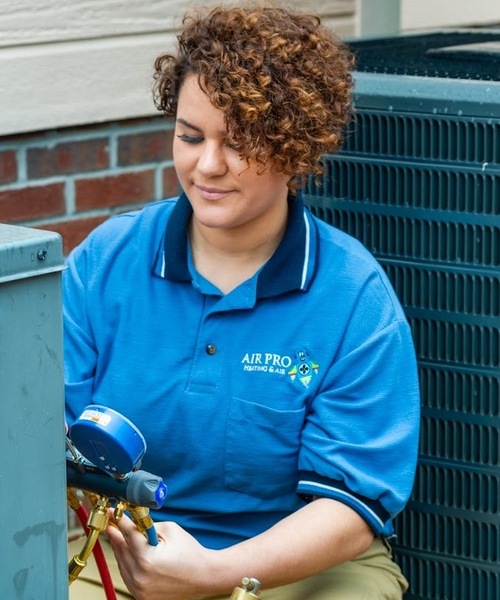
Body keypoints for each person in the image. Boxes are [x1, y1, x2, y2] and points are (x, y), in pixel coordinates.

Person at [64, 2, 420, 599]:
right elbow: (32, 429)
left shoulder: (354, 298)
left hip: (296, 568)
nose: (207, 166)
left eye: (239, 142)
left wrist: (216, 574)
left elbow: (352, 508)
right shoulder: (106, 262)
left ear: (296, 147)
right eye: (190, 135)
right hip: (117, 549)